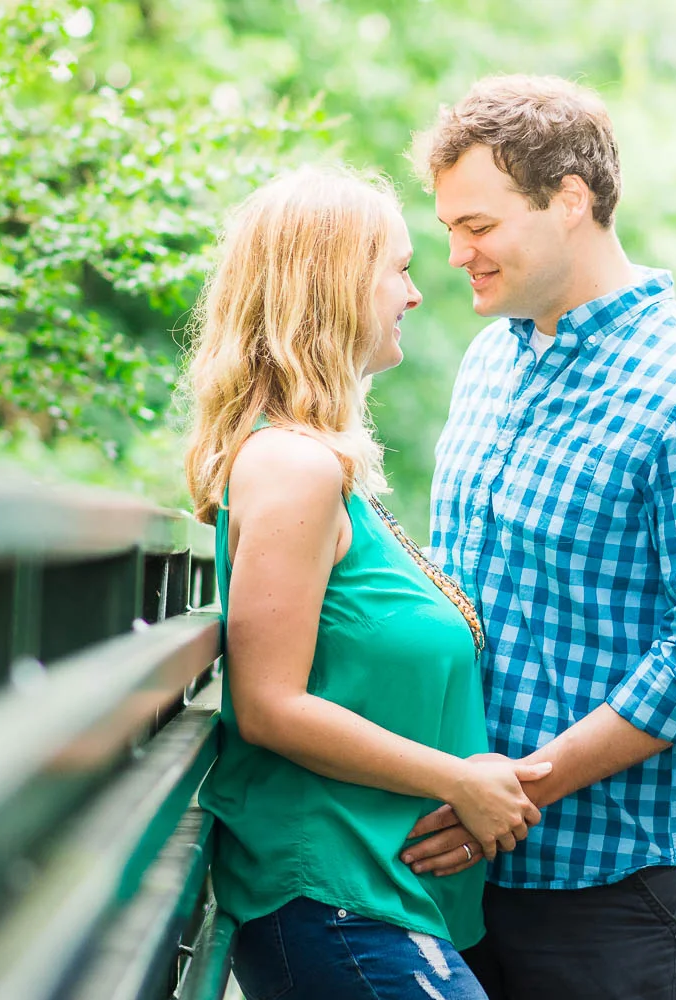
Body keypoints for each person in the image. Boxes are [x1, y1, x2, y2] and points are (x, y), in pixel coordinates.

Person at [398, 76, 676, 1000]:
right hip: (466, 880)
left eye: (480, 226)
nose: (456, 254)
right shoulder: (491, 359)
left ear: (570, 199)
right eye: (450, 227)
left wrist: (519, 789)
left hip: (618, 891)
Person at [183, 166, 550, 1000]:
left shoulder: (329, 467)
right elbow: (271, 704)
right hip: (333, 899)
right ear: (333, 283)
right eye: (400, 267)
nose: (416, 294)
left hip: (379, 901)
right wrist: (457, 779)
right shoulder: (292, 465)